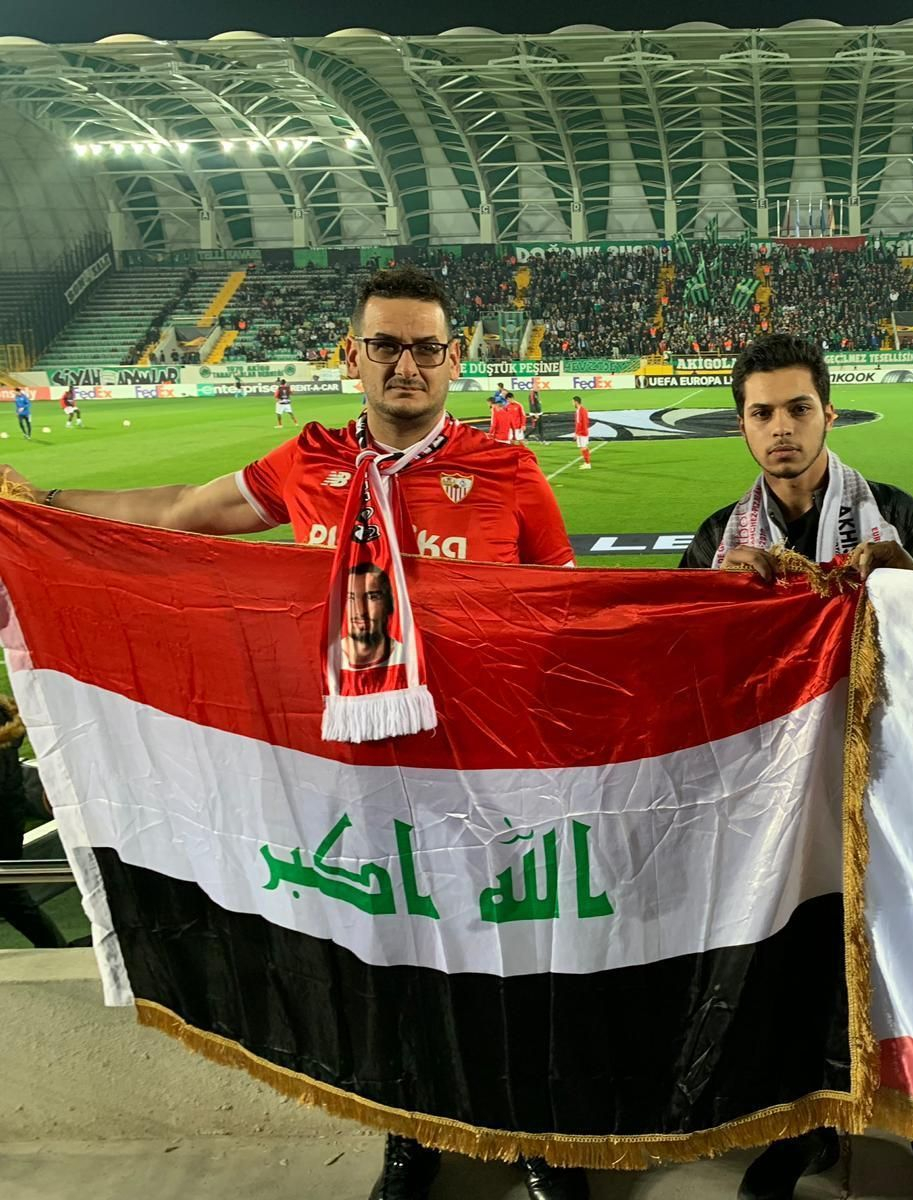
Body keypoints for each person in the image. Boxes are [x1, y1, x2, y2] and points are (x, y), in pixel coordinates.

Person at [0, 263, 581, 1200]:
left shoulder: (509, 473)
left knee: (501, 958)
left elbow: (568, 616)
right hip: (345, 782)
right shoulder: (306, 463)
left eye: (426, 347)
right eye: (385, 345)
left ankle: (531, 1136)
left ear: (454, 359)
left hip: (479, 776)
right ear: (351, 355)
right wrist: (47, 513)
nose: (406, 365)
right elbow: (187, 515)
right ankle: (410, 1134)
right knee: (383, 968)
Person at [678, 334, 913, 1200]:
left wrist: (908, 583)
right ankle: (800, 1128)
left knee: (908, 967)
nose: (782, 429)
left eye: (798, 408)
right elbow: (687, 685)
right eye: (762, 413)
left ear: (828, 414)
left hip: (893, 790)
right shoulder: (715, 542)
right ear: (741, 427)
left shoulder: (898, 517)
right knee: (792, 969)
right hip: (778, 805)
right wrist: (715, 605)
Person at [0, 695, 66, 948]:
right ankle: (56, 949)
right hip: (8, 813)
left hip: (4, 817)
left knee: (9, 893)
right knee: (10, 894)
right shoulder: (5, 715)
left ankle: (56, 950)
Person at [341, 563, 398, 669]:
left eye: (372, 597)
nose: (360, 611)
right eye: (350, 598)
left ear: (389, 604)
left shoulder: (410, 658)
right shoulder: (327, 658)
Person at [572, 397, 592, 469]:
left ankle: (587, 463)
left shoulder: (580, 411)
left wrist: (577, 433)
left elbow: (580, 423)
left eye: (573, 402)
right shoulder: (582, 410)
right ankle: (587, 462)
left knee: (583, 448)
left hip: (582, 433)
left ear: (576, 402)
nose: (572, 403)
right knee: (585, 447)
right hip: (584, 431)